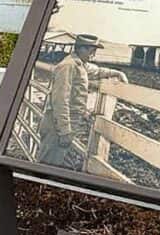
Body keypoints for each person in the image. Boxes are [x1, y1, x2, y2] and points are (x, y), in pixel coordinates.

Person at [36, 33, 127, 169]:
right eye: (92, 50)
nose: (94, 54)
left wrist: (117, 73)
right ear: (81, 49)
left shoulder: (79, 64)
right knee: (48, 165)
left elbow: (97, 71)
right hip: (57, 127)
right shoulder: (67, 66)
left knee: (58, 162)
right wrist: (65, 131)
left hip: (64, 125)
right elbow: (60, 101)